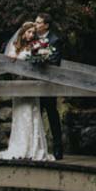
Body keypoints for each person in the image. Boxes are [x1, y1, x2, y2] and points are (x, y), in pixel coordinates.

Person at [0, 22, 55, 161]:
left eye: (33, 33)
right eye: (29, 32)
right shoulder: (15, 47)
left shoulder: (36, 46)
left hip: (31, 86)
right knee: (21, 114)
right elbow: (8, 64)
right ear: (23, 32)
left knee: (33, 114)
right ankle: (20, 146)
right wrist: (12, 56)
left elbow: (40, 63)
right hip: (18, 86)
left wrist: (42, 55)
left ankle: (34, 148)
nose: (31, 35)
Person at [33, 13, 64, 160]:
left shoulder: (55, 40)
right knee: (35, 115)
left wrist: (41, 57)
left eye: (39, 22)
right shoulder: (31, 37)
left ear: (46, 25)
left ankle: (58, 148)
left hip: (48, 84)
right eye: (36, 22)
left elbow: (55, 61)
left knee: (52, 114)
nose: (36, 24)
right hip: (32, 84)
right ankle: (36, 147)